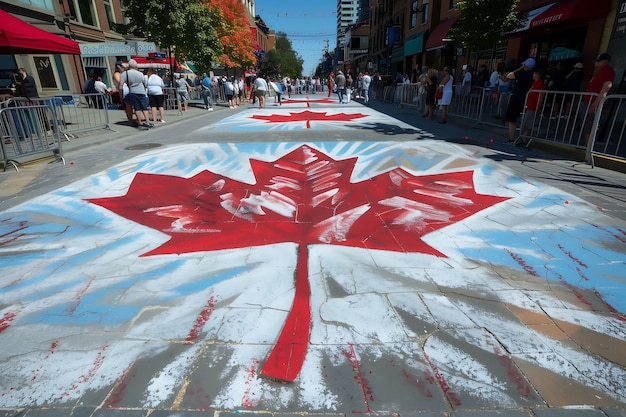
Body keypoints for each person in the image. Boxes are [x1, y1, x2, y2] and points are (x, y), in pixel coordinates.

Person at [583, 53, 615, 144]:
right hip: (590, 102)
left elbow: (607, 85)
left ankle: (588, 147)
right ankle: (587, 145)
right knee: (588, 124)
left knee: (590, 125)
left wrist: (595, 103)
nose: (596, 63)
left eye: (598, 61)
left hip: (593, 102)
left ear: (606, 61)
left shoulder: (606, 71)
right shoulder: (601, 71)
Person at [503, 58, 535, 144]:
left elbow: (508, 76)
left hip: (517, 98)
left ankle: (511, 138)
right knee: (526, 120)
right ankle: (523, 141)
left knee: (512, 118)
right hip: (528, 99)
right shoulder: (533, 75)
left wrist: (520, 68)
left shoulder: (521, 73)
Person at [120, 59, 152, 128]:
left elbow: (120, 85)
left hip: (133, 92)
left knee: (137, 108)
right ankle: (147, 122)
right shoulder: (140, 74)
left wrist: (121, 94)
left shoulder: (125, 73)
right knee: (144, 108)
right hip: (142, 92)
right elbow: (145, 83)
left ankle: (139, 122)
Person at [519, 69, 546, 146]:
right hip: (529, 106)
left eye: (534, 74)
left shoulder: (540, 84)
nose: (533, 75)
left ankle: (524, 140)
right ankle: (523, 139)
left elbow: (541, 96)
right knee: (526, 123)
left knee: (528, 124)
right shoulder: (535, 83)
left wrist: (538, 107)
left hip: (533, 107)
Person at [113, 61, 134, 125]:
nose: (123, 68)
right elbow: (119, 82)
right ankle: (130, 121)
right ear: (118, 67)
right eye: (122, 67)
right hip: (123, 91)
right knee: (127, 107)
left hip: (126, 90)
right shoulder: (117, 74)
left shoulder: (123, 73)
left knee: (130, 107)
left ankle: (131, 120)